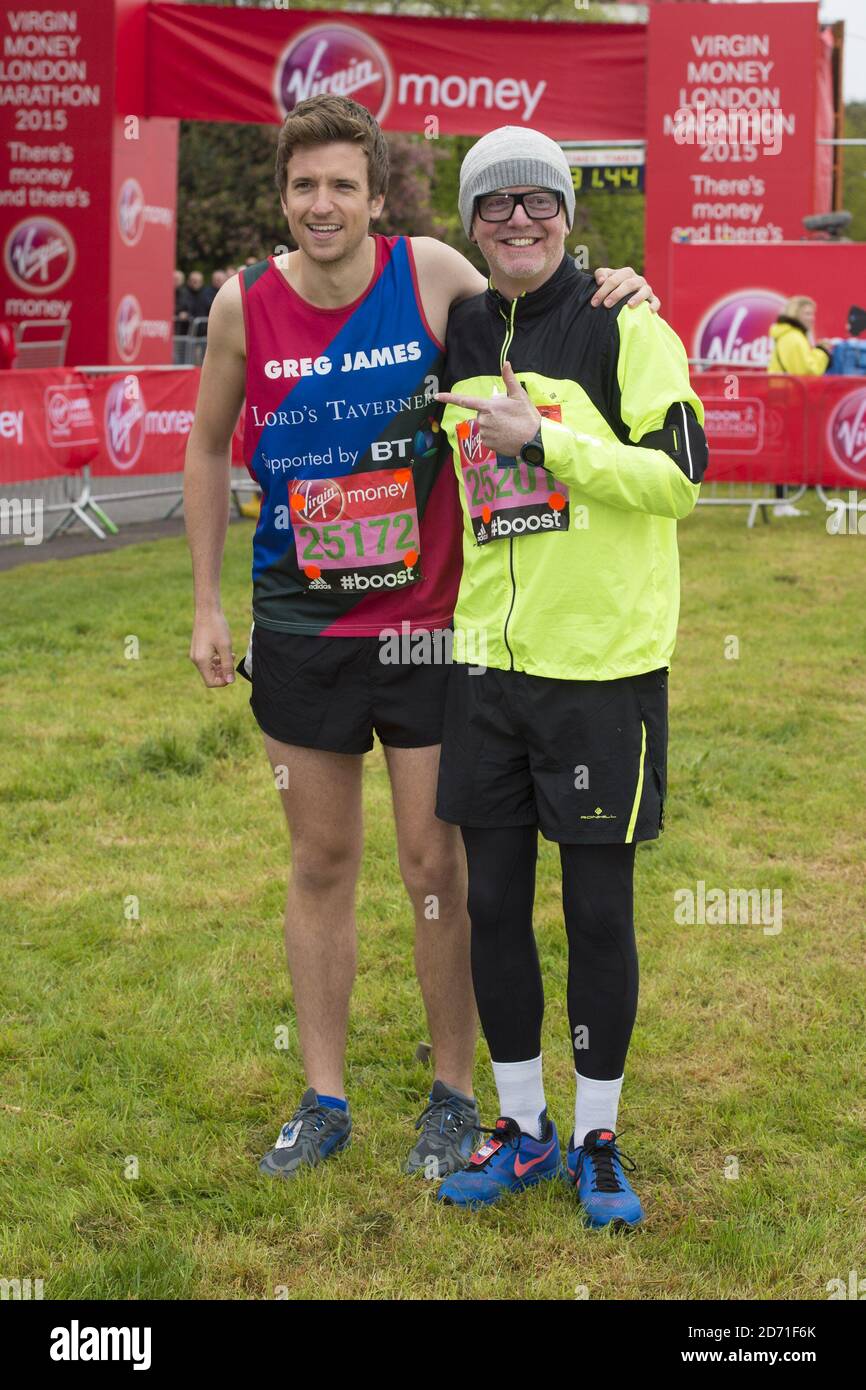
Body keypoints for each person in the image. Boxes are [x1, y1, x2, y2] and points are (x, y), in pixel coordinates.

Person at [184, 93, 659, 1183]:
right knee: (319, 860)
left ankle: (454, 1094)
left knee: (432, 861)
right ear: (284, 197)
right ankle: (324, 1095)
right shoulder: (240, 306)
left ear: (375, 196)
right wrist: (208, 604)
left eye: (340, 185)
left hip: (423, 629)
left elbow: (542, 290)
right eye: (303, 186)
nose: (321, 204)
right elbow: (208, 449)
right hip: (299, 626)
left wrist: (620, 285)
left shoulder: (432, 273)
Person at [432, 126, 707, 1228]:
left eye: (535, 201)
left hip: (600, 673)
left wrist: (545, 439)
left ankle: (597, 1136)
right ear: (471, 225)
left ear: (565, 211)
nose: (516, 222)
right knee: (491, 903)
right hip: (486, 668)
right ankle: (521, 1128)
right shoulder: (457, 325)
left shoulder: (623, 321)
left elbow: (679, 475)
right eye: (491, 207)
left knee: (595, 910)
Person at [767, 295, 831, 516]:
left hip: (785, 399)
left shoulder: (791, 336)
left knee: (786, 450)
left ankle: (783, 500)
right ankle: (782, 502)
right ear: (796, 314)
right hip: (788, 401)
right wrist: (823, 353)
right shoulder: (793, 338)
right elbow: (805, 371)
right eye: (807, 313)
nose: (811, 318)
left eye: (813, 314)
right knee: (786, 451)